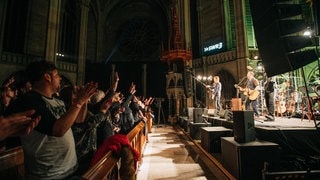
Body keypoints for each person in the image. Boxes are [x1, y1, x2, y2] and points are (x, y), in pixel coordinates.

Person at [5, 60, 98, 179]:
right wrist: (78, 102)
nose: (60, 78)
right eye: (57, 75)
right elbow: (58, 130)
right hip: (50, 175)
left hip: (70, 169)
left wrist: (84, 100)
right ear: (47, 77)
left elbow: (79, 120)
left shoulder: (57, 101)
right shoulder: (29, 101)